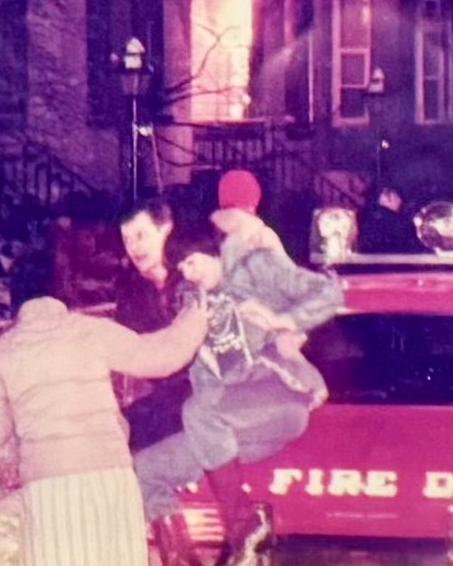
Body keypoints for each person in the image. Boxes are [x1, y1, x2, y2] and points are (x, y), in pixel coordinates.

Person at [0, 255, 205, 566]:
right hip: (109, 476)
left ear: (15, 298)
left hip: (47, 486)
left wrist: (11, 463)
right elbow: (162, 355)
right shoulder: (91, 331)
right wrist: (195, 312)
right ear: (63, 289)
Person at [134, 220, 342, 566]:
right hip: (227, 424)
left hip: (277, 402)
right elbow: (169, 352)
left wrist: (284, 324)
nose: (189, 272)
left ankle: (243, 525)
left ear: (214, 253)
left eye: (192, 261)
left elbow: (328, 294)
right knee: (144, 471)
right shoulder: (192, 304)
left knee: (197, 411)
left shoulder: (254, 278)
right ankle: (183, 560)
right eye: (182, 266)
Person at [115, 197, 191, 452]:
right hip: (161, 394)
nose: (134, 247)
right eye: (127, 239)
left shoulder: (193, 277)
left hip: (203, 392)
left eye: (140, 235)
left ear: (165, 229)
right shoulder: (131, 290)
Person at [356, 185, 420, 253]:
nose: (390, 194)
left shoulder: (404, 227)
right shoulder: (366, 218)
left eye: (396, 194)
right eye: (385, 192)